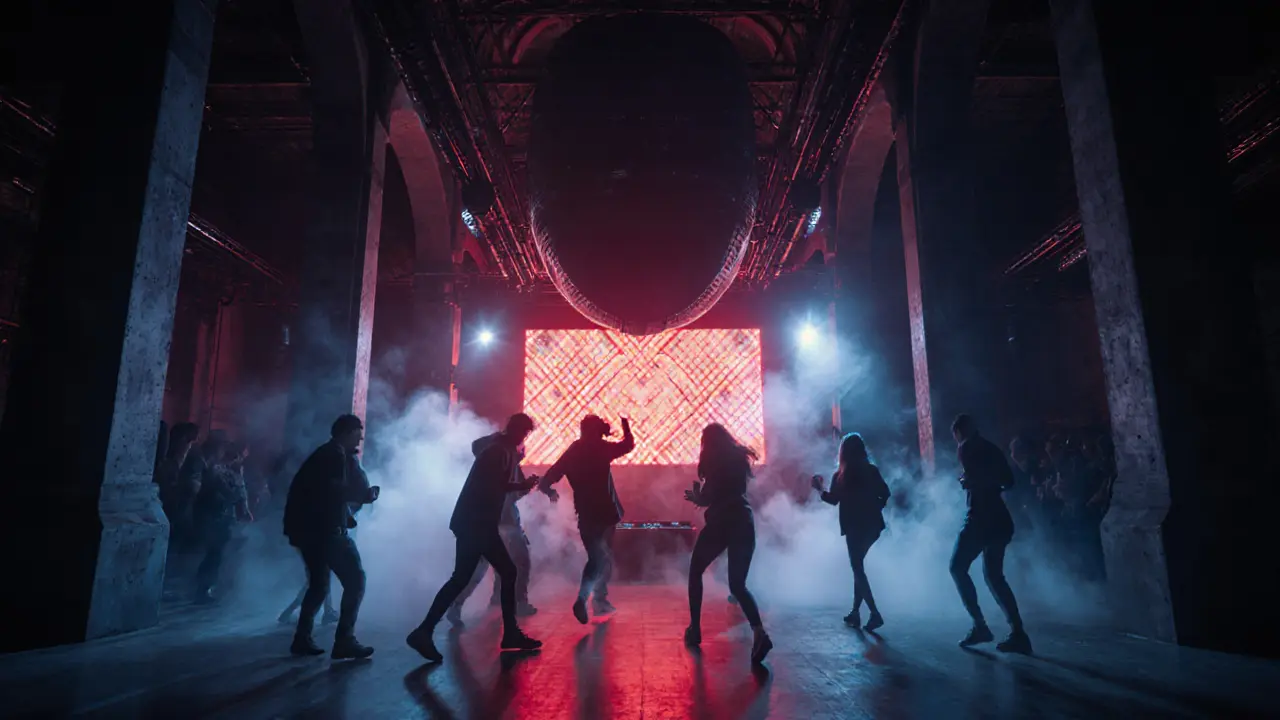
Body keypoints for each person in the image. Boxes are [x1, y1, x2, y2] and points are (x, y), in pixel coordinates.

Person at [406, 414, 544, 663]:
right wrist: (521, 485)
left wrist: (519, 484)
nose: (525, 439)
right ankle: (509, 634)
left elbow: (494, 484)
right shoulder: (499, 452)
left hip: (473, 522)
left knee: (464, 577)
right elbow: (494, 486)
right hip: (477, 523)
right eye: (525, 434)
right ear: (519, 432)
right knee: (504, 572)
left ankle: (424, 631)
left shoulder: (498, 450)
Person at [283, 414, 381, 660]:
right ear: (346, 433)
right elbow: (334, 491)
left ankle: (302, 638)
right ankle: (344, 640)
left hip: (308, 530)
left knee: (318, 585)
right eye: (357, 435)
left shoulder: (327, 453)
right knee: (356, 580)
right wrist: (364, 494)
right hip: (325, 531)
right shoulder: (335, 455)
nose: (359, 440)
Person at [683, 423, 773, 665]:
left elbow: (709, 497)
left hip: (721, 522)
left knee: (695, 571)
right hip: (744, 520)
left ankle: (695, 628)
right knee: (738, 585)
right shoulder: (736, 459)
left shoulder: (714, 463)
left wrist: (697, 497)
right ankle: (759, 632)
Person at [949, 414, 1032, 653]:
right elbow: (1008, 482)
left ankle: (980, 626)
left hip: (980, 517)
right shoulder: (992, 449)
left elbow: (977, 477)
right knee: (995, 576)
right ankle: (1018, 632)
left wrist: (970, 480)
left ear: (960, 433)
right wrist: (978, 480)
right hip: (1000, 518)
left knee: (957, 567)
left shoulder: (966, 447)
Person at [539, 414, 634, 623]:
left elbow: (547, 479)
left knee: (597, 557)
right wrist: (626, 425)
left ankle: (595, 600)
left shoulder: (574, 450)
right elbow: (628, 446)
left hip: (586, 513)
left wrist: (550, 492)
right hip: (607, 513)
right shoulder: (601, 448)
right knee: (603, 557)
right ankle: (590, 599)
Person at [447, 439, 540, 624]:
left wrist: (526, 486)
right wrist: (525, 486)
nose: (522, 451)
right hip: (497, 523)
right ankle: (454, 607)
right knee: (485, 569)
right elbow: (507, 492)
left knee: (508, 565)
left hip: (503, 523)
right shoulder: (493, 466)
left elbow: (513, 493)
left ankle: (510, 603)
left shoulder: (504, 464)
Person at [811, 432, 890, 630]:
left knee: (857, 568)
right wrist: (875, 507)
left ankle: (874, 613)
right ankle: (855, 613)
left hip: (854, 527)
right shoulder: (871, 470)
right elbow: (885, 493)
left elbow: (832, 500)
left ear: (843, 452)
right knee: (858, 567)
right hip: (872, 526)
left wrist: (819, 489)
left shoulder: (841, 475)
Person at [192, 440, 251, 603]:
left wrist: (245, 509)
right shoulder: (217, 470)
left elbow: (239, 494)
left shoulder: (230, 471)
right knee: (214, 554)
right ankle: (202, 589)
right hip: (213, 517)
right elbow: (230, 494)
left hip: (223, 518)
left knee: (219, 554)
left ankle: (209, 586)